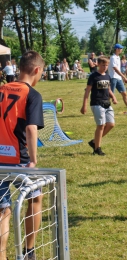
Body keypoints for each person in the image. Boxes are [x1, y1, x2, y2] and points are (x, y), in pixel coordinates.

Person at [0, 50, 45, 260]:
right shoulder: (32, 95)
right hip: (19, 159)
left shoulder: (1, 89)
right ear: (36, 70)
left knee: (3, 210)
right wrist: (34, 161)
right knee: (36, 197)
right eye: (41, 73)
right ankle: (29, 250)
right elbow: (31, 129)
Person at [80, 56, 118, 156]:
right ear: (98, 64)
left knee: (111, 124)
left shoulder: (107, 76)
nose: (105, 67)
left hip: (107, 103)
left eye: (106, 65)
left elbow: (108, 89)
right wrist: (84, 105)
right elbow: (87, 91)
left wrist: (113, 97)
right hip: (96, 103)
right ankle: (97, 148)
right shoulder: (93, 76)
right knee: (101, 126)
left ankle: (94, 142)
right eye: (103, 65)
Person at [108, 43, 127, 115]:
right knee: (110, 95)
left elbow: (118, 69)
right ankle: (105, 110)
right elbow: (115, 69)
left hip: (118, 78)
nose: (122, 50)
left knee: (124, 93)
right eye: (121, 48)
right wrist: (124, 77)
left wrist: (122, 77)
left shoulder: (118, 57)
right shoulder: (113, 58)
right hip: (113, 78)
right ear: (117, 49)